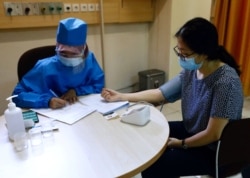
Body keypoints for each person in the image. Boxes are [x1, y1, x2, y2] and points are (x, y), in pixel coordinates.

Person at [101, 17, 243, 177]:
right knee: (149, 134)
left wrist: (181, 144)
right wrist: (121, 96)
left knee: (156, 165)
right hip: (191, 130)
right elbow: (160, 93)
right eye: (179, 50)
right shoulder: (192, 70)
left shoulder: (225, 82)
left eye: (185, 53)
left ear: (204, 53)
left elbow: (213, 134)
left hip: (214, 150)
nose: (181, 57)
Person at [13, 17, 104, 109]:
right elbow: (17, 95)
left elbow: (98, 86)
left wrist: (76, 91)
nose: (69, 58)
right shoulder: (45, 67)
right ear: (57, 48)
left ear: (84, 49)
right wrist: (47, 101)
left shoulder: (89, 60)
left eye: (74, 54)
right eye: (63, 53)